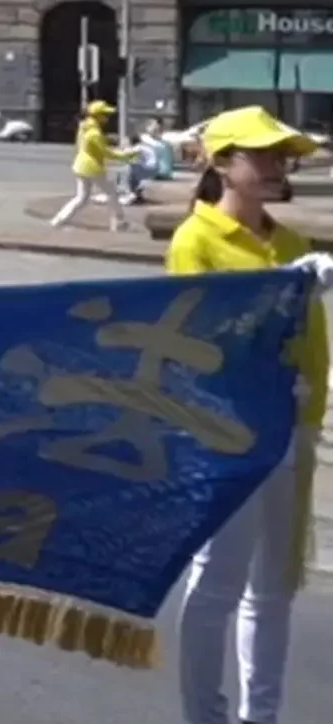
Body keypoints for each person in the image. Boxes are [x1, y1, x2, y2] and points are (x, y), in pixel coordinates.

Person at [169, 106, 330, 724]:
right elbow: (202, 338)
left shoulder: (289, 243)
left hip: (293, 428)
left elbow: (312, 343)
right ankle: (203, 715)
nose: (275, 167)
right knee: (217, 586)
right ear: (221, 163)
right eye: (260, 156)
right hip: (228, 430)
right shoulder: (197, 239)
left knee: (274, 589)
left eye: (281, 156)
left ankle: (261, 715)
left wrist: (311, 409)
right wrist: (280, 293)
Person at [51, 99, 127, 230]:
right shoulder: (94, 132)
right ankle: (118, 222)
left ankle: (58, 220)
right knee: (111, 193)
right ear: (98, 116)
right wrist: (128, 155)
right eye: (105, 114)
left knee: (81, 198)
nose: (107, 118)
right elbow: (106, 152)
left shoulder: (84, 127)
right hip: (92, 168)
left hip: (81, 165)